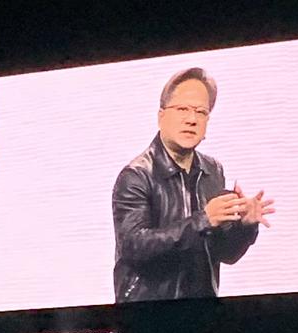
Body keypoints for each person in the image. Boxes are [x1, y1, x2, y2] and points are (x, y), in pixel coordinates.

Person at [112, 67, 274, 303]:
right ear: (161, 116)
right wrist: (203, 220)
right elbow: (135, 247)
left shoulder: (213, 170)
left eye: (201, 112)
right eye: (182, 109)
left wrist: (245, 226)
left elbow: (224, 254)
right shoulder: (136, 175)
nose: (191, 119)